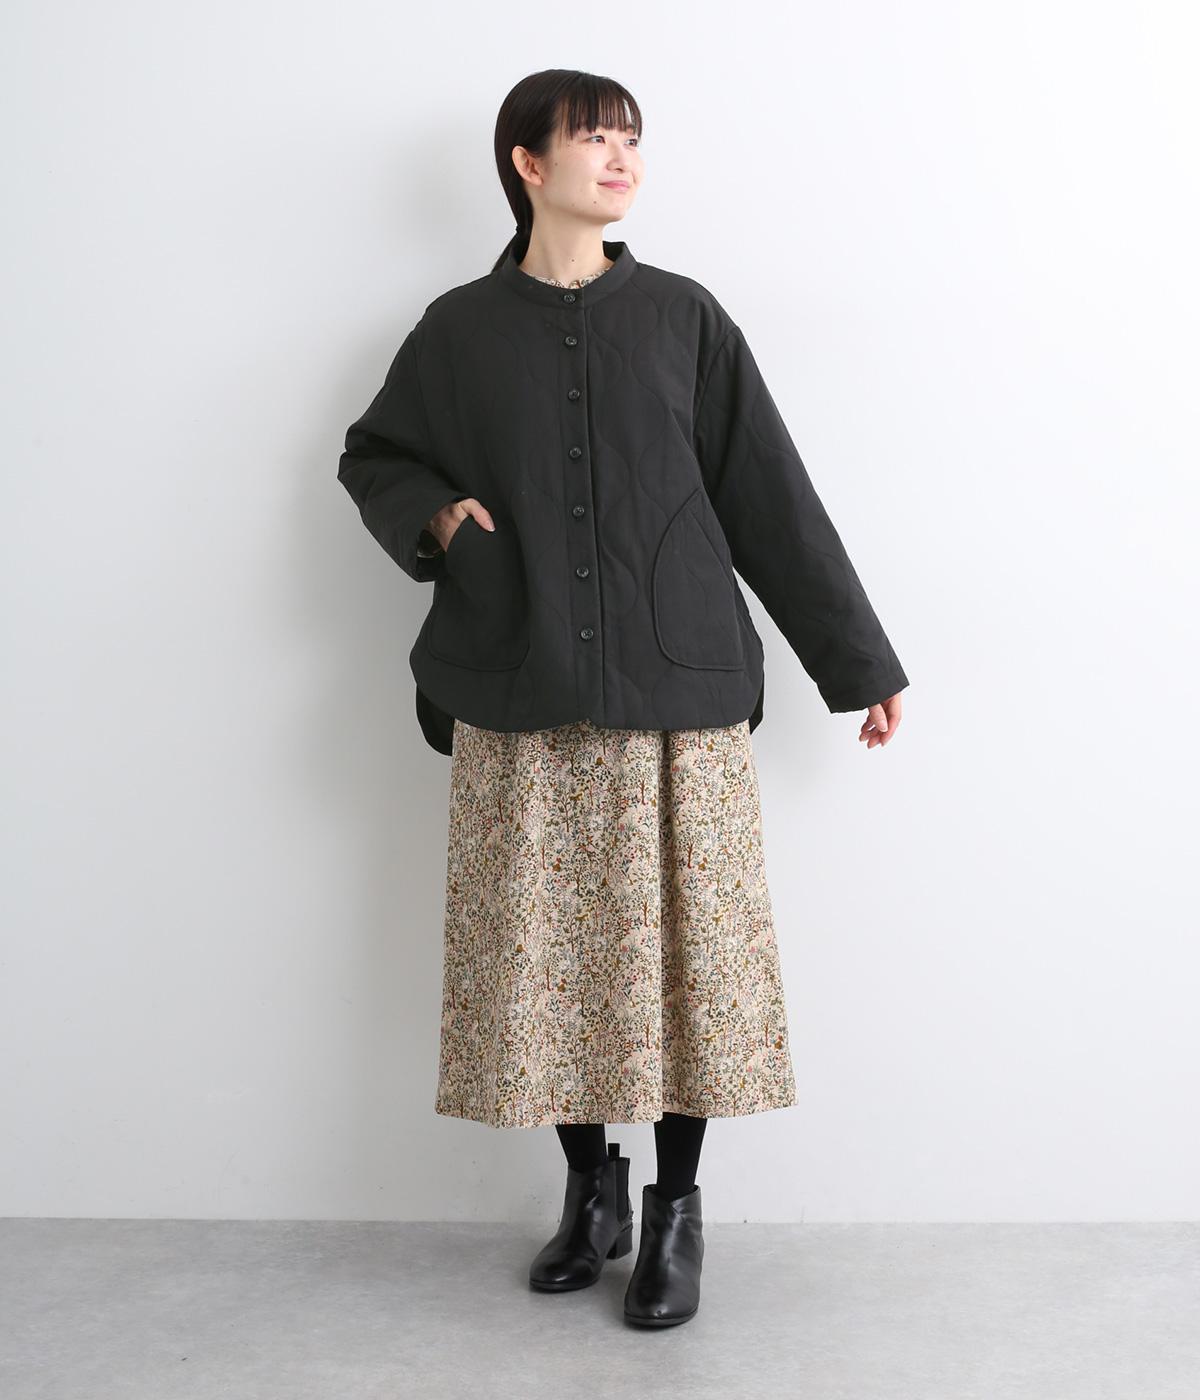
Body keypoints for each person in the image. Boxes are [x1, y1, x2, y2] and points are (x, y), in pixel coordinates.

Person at [337, 69, 908, 1329]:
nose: (621, 158)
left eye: (632, 139)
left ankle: (675, 1211)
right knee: (549, 957)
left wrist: (857, 662)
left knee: (687, 963)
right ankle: (589, 1189)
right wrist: (438, 517)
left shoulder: (685, 318)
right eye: (594, 137)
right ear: (527, 163)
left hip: (678, 693)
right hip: (523, 679)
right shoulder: (456, 331)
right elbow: (373, 453)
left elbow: (769, 494)